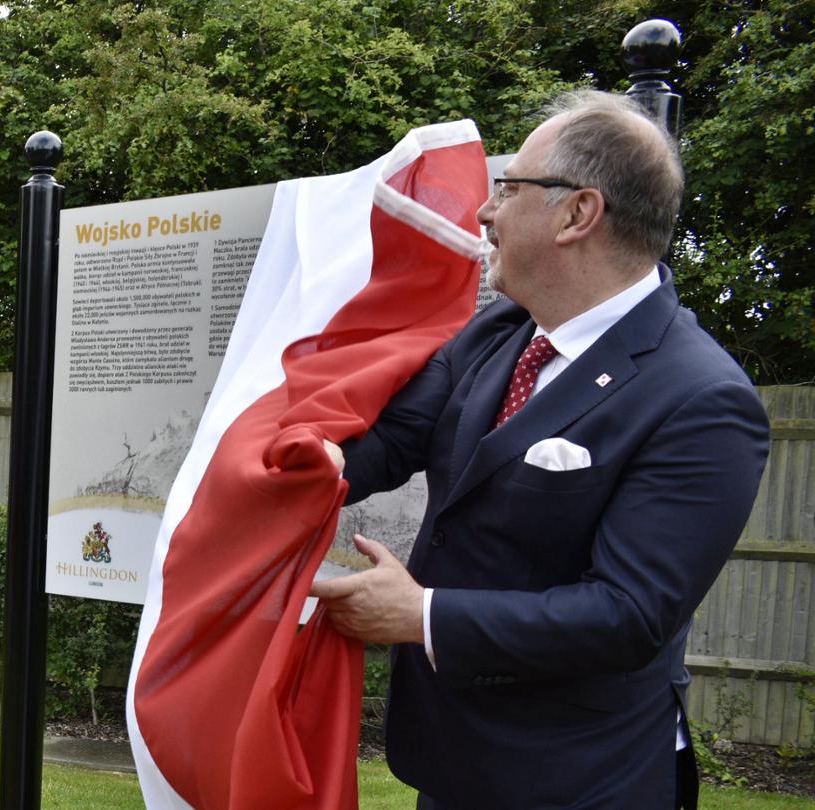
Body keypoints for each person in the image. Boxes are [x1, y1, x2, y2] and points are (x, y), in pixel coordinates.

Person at [308, 91, 770, 809]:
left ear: (577, 214)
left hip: (577, 778)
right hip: (453, 761)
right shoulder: (501, 333)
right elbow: (397, 436)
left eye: (509, 189)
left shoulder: (703, 400)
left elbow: (627, 613)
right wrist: (300, 467)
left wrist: (422, 613)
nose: (486, 214)